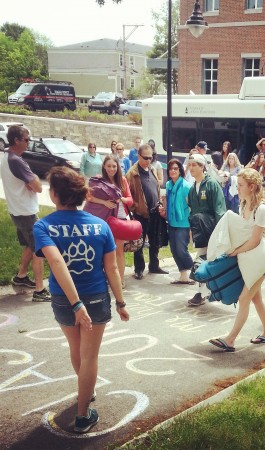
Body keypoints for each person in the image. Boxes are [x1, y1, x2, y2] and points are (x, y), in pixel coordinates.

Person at [33, 166, 129, 434]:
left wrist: (75, 304)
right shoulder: (100, 225)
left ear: (54, 195)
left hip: (64, 300)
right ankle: (83, 413)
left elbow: (55, 260)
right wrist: (120, 303)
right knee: (90, 356)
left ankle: (86, 391)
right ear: (82, 195)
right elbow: (111, 269)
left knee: (76, 349)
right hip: (96, 298)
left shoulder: (44, 225)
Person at [209, 169, 265, 352]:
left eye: (240, 185)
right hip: (250, 259)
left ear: (252, 186)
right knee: (255, 298)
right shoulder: (243, 206)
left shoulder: (262, 209)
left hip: (262, 260)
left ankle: (230, 339)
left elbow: (255, 240)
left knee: (244, 298)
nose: (237, 188)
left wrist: (235, 251)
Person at [0, 125, 51, 302]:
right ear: (17, 140)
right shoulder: (17, 161)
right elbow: (37, 186)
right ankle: (39, 290)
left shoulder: (6, 156)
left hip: (17, 211)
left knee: (29, 245)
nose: (29, 143)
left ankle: (21, 277)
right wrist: (34, 179)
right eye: (27, 140)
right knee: (39, 249)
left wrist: (30, 182)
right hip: (26, 212)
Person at [84, 155, 133, 287]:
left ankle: (120, 280)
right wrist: (104, 202)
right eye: (109, 166)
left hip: (120, 219)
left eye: (114, 166)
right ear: (104, 167)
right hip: (104, 219)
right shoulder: (98, 181)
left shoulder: (122, 180)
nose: (112, 169)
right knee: (103, 250)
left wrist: (121, 199)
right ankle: (105, 278)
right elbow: (89, 197)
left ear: (118, 167)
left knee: (119, 250)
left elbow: (130, 200)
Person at [187, 153, 226, 306]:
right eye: (190, 165)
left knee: (204, 259)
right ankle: (203, 292)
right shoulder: (192, 189)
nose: (191, 168)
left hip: (211, 230)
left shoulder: (212, 184)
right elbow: (192, 212)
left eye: (194, 165)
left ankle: (202, 293)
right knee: (203, 259)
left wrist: (219, 233)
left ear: (202, 167)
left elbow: (219, 209)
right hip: (200, 231)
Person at [126, 143, 168, 279]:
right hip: (141, 214)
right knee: (139, 243)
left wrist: (160, 203)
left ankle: (154, 266)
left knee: (155, 240)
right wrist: (135, 208)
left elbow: (156, 188)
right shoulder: (132, 174)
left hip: (155, 211)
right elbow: (127, 194)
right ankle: (139, 269)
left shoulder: (152, 169)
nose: (149, 160)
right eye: (146, 157)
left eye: (151, 157)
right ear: (139, 156)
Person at [163, 159, 194, 284]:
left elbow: (192, 206)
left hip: (183, 223)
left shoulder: (186, 186)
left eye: (176, 168)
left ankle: (196, 272)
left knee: (181, 250)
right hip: (171, 222)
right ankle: (183, 276)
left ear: (180, 170)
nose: (173, 171)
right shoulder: (169, 185)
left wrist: (192, 226)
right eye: (171, 169)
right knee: (174, 250)